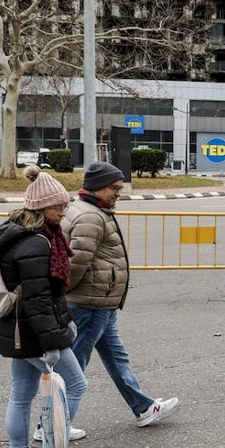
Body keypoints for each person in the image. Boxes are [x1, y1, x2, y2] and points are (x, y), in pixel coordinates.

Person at [0, 166, 88, 448]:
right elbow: (38, 300)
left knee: (21, 394)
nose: (64, 210)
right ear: (39, 208)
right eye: (58, 206)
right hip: (35, 331)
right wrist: (53, 342)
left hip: (17, 329)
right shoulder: (37, 243)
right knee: (75, 385)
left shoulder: (17, 232)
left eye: (65, 205)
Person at [62, 161, 179, 428]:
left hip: (102, 302)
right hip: (91, 304)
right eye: (114, 188)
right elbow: (76, 264)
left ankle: (144, 408)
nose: (119, 193)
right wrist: (64, 294)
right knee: (75, 367)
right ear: (97, 187)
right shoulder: (90, 216)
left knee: (117, 358)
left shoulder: (91, 209)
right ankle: (50, 427)